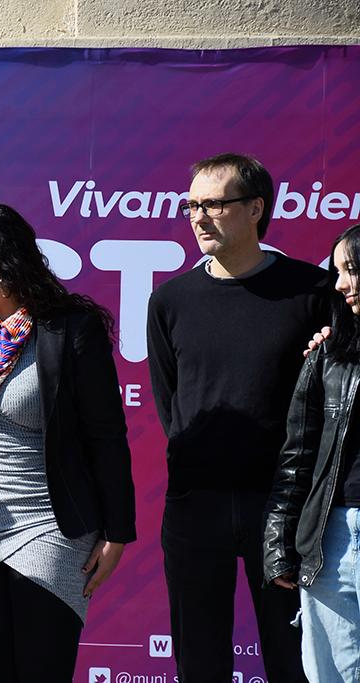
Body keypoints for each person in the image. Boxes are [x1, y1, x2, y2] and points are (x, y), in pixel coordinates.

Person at [0, 201, 136, 681]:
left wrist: (118, 533)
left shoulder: (70, 329)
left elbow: (106, 436)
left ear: (4, 259)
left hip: (51, 527)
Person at [146, 153, 327, 682]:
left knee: (293, 660)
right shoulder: (170, 299)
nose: (199, 217)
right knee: (199, 661)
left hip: (285, 506)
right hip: (194, 504)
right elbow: (171, 403)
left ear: (255, 209)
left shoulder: (313, 293)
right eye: (191, 205)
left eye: (215, 204)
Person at [264, 223, 360, 680]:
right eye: (338, 271)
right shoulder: (328, 354)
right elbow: (297, 455)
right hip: (332, 535)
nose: (341, 284)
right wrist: (279, 539)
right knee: (332, 672)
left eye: (353, 270)